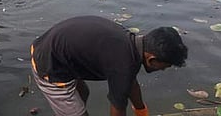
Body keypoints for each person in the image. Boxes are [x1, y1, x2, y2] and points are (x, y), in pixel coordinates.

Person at [30, 15, 188, 116]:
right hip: (49, 64)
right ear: (152, 59)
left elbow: (131, 83)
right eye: (164, 66)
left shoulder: (132, 43)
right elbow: (118, 108)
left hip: (58, 51)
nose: (164, 69)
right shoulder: (123, 66)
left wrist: (141, 111)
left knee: (83, 92)